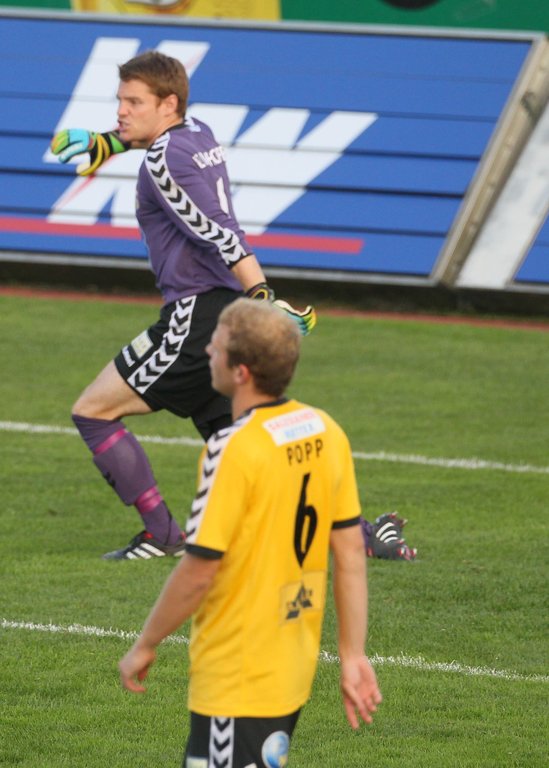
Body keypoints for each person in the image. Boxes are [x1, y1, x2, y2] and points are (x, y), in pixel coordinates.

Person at [50, 50, 316, 560]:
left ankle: (163, 534)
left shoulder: (162, 160)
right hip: (221, 310)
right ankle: (361, 532)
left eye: (133, 102)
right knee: (237, 443)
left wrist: (263, 297)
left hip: (195, 317)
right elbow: (151, 145)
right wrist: (105, 142)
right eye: (120, 100)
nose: (121, 111)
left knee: (93, 411)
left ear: (168, 103)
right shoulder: (197, 131)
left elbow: (220, 232)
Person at [118, 298, 382, 767]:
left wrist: (146, 643)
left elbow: (199, 570)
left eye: (216, 346)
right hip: (291, 663)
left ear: (240, 372)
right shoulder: (325, 430)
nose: (206, 352)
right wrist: (352, 654)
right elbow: (350, 553)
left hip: (238, 672)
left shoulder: (232, 448)